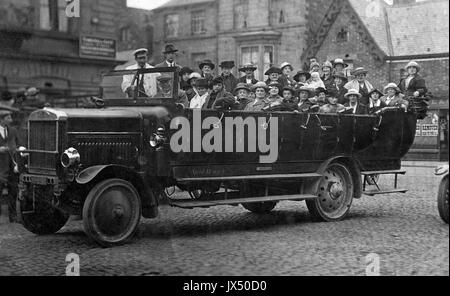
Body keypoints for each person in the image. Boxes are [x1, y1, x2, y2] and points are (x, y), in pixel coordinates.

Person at [0, 106, 20, 222]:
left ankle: (13, 216)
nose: (11, 119)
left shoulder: (13, 130)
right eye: (8, 117)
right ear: (1, 120)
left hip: (12, 166)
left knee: (13, 191)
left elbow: (18, 144)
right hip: (0, 167)